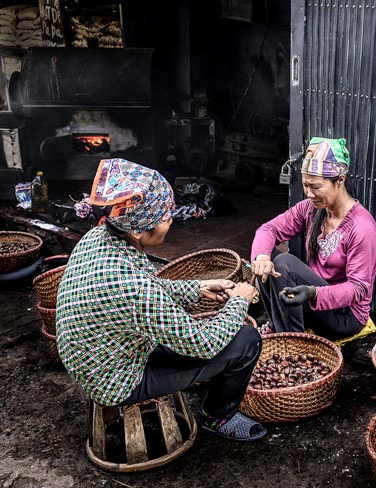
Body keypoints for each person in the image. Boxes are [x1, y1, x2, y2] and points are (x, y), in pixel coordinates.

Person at [56, 158, 267, 441]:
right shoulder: (134, 288)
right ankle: (218, 416)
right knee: (247, 340)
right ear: (138, 229)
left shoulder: (97, 237)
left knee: (200, 333)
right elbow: (202, 344)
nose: (170, 221)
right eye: (165, 217)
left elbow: (144, 292)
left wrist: (197, 288)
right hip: (118, 380)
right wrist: (239, 301)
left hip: (95, 358)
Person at [250, 137, 376, 340]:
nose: (309, 194)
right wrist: (261, 257)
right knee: (266, 258)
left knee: (284, 263)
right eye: (305, 185)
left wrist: (313, 293)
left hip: (344, 315)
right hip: (312, 300)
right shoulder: (311, 209)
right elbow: (269, 229)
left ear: (340, 181)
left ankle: (292, 341)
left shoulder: (362, 228)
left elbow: (358, 289)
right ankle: (278, 326)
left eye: (316, 187)